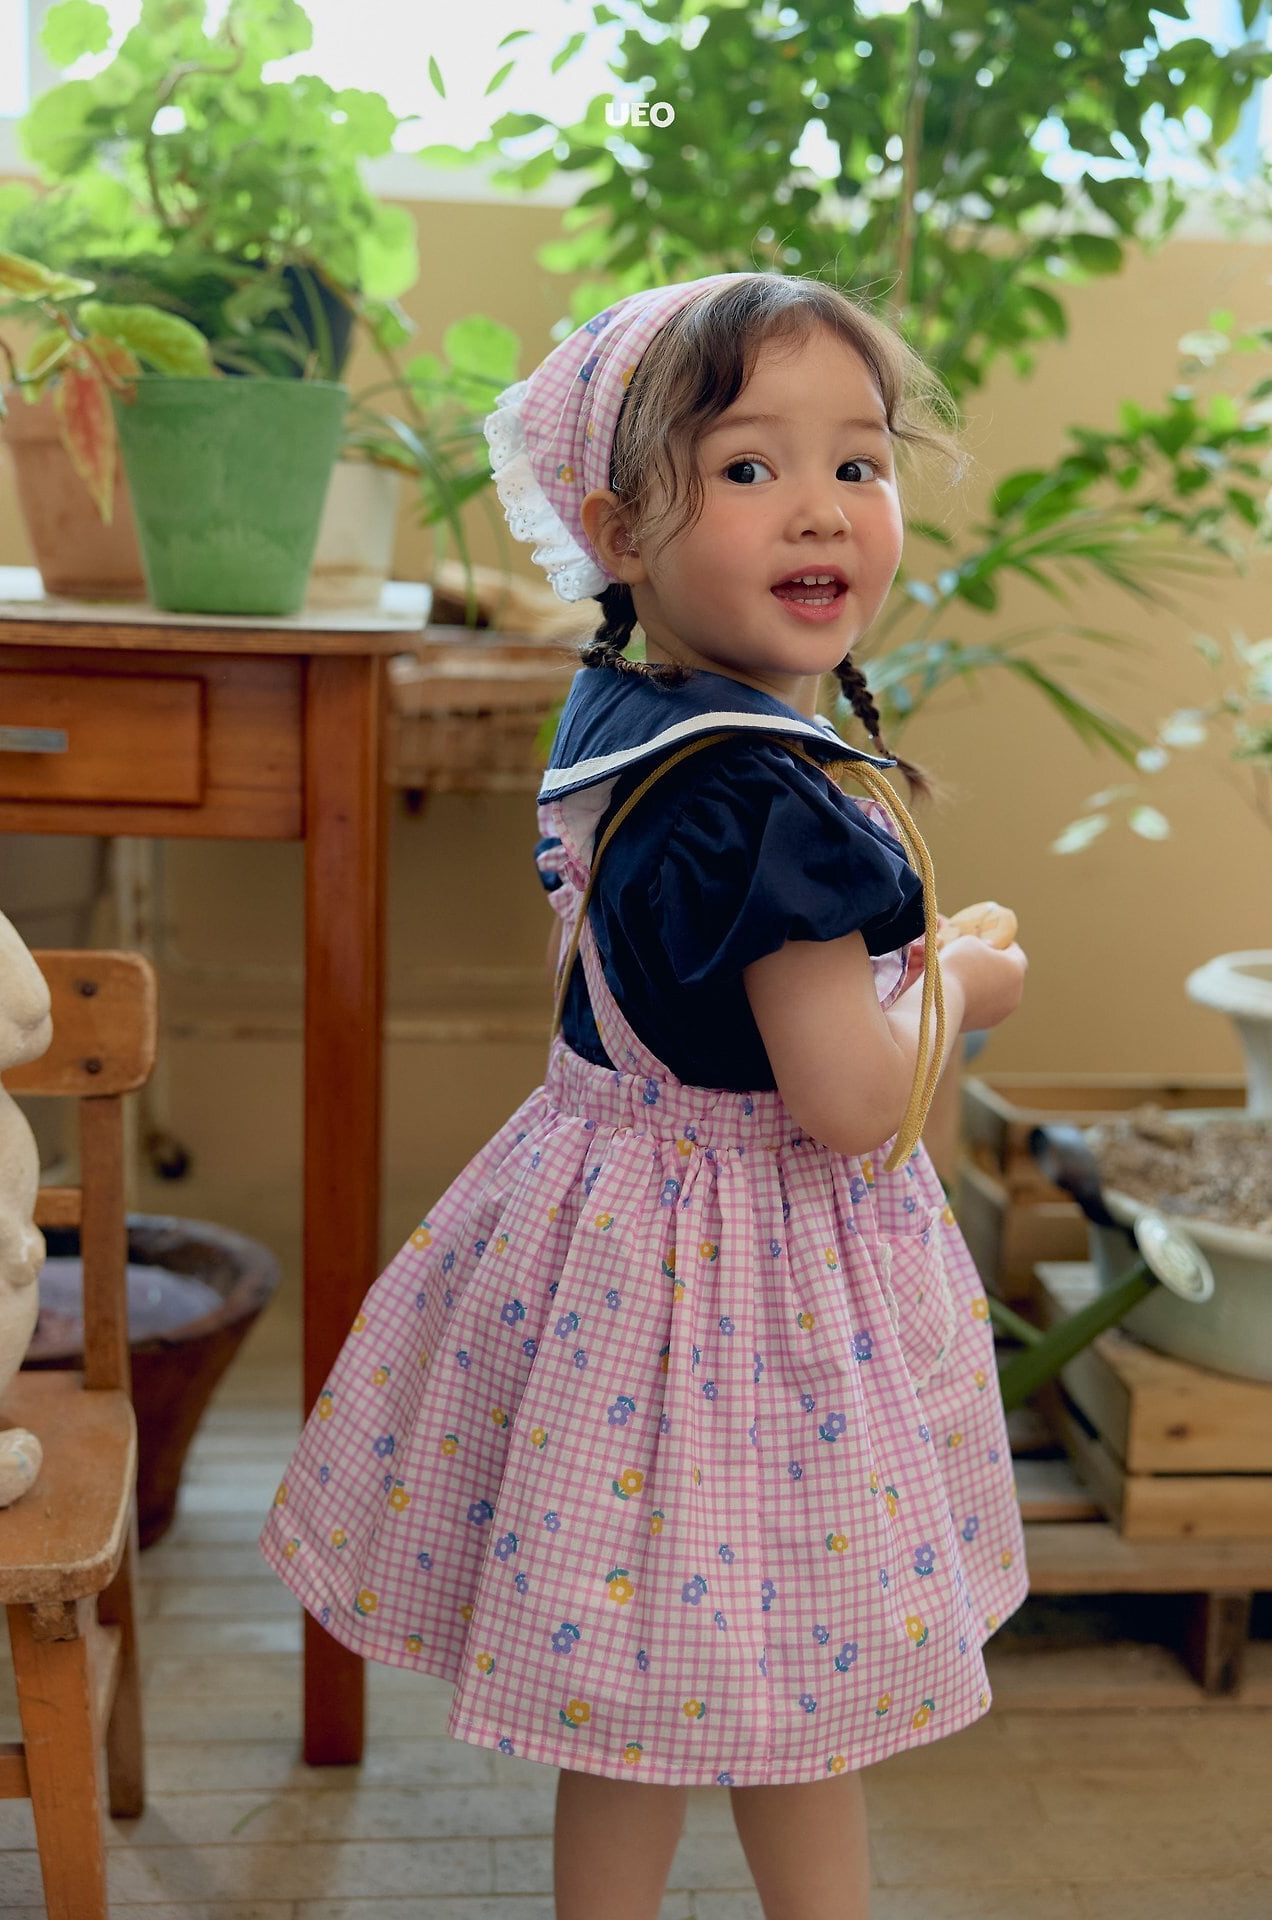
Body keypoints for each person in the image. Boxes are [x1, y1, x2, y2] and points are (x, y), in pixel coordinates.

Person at [260, 270, 1030, 1920]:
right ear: (616, 531)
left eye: (859, 462)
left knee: (632, 1694)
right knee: (801, 1693)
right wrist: (961, 989)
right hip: (747, 1303)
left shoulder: (635, 713)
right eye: (749, 466)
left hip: (619, 1258)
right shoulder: (764, 803)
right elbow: (847, 1097)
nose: (820, 506)